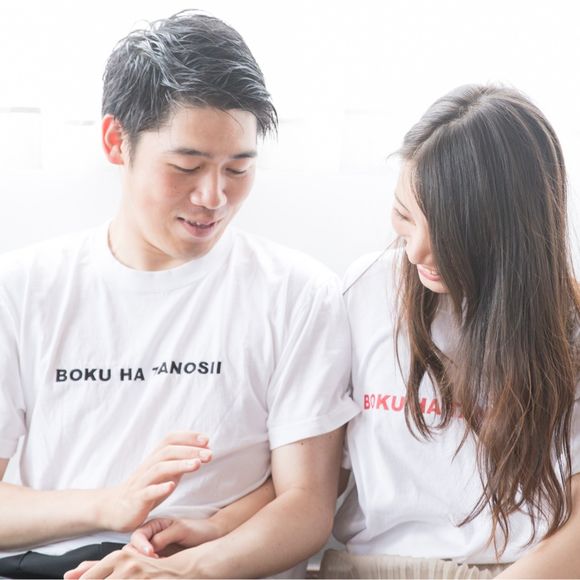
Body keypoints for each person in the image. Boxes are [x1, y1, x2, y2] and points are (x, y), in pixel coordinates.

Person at [0, 11, 359, 579]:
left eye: (238, 169)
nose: (214, 197)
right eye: (187, 166)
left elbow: (308, 506)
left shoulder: (296, 293)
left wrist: (179, 573)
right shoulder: (23, 288)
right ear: (116, 141)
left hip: (212, 565)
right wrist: (108, 505)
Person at [322, 85, 580, 579]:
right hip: (369, 568)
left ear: (512, 233)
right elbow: (313, 477)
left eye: (448, 232)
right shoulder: (366, 289)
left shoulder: (567, 328)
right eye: (405, 216)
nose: (416, 250)